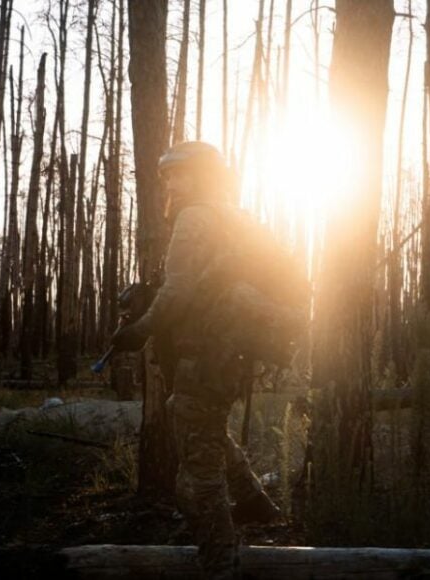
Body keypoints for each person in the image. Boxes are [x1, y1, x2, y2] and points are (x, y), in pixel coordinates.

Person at [111, 141, 282, 579]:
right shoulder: (230, 219)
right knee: (194, 422)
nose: (169, 182)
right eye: (167, 175)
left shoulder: (194, 218)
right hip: (225, 356)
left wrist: (138, 331)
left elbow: (178, 292)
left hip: (203, 356)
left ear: (201, 175)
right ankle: (254, 501)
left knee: (196, 478)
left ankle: (219, 562)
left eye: (178, 173)